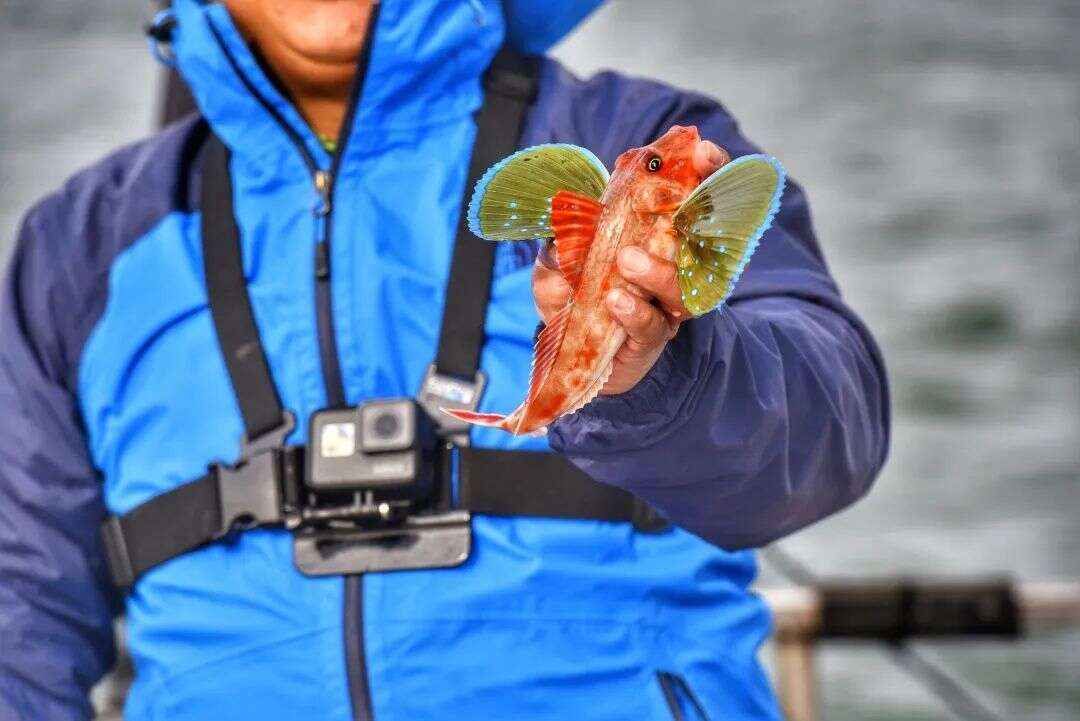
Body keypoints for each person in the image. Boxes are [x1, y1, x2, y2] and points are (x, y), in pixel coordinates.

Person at [0, 1, 889, 719]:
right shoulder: (74, 248)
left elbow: (829, 433)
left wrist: (665, 373)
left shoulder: (643, 130)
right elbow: (19, 618)